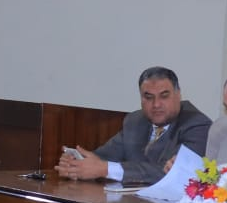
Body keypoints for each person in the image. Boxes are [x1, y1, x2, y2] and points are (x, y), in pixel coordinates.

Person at [55, 66, 210, 185]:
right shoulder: (136, 120)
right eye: (148, 97)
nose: (156, 104)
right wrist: (76, 162)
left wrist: (105, 169)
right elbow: (103, 157)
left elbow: (172, 173)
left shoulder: (197, 125)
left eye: (164, 96)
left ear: (178, 95)